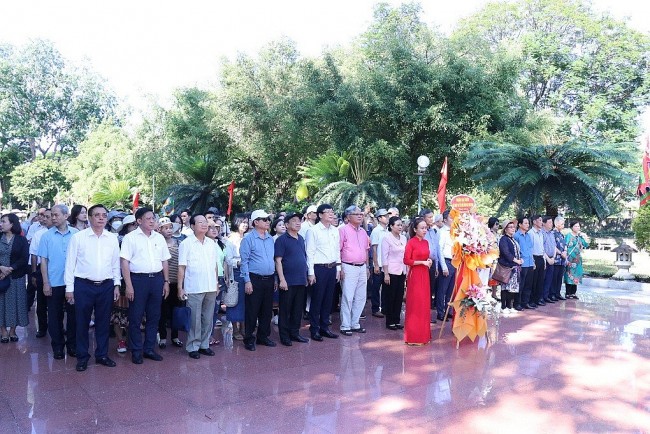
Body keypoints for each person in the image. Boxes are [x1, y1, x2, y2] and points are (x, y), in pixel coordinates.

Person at [64, 204, 121, 372]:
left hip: (106, 285)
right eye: (97, 215)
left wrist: (117, 284)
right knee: (81, 322)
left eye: (104, 215)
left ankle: (102, 354)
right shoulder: (78, 238)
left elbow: (115, 263)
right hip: (83, 285)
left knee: (103, 322)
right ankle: (82, 357)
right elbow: (70, 264)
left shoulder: (112, 238)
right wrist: (69, 288)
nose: (101, 218)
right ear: (89, 218)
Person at [120, 208, 170, 364]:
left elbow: (164, 261)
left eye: (153, 218)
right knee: (135, 316)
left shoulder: (159, 238)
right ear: (139, 221)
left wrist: (166, 281)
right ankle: (136, 350)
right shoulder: (130, 238)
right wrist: (128, 285)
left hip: (156, 280)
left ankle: (149, 348)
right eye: (148, 218)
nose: (152, 220)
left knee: (154, 316)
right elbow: (124, 262)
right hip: (138, 280)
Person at [39, 205, 78, 358]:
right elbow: (43, 261)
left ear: (66, 215)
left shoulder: (76, 234)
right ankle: (58, 347)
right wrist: (46, 283)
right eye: (52, 215)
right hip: (54, 282)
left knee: (74, 315)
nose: (53, 218)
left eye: (56, 215)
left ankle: (72, 345)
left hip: (73, 283)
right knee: (55, 317)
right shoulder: (46, 236)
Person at [178, 214, 219, 359]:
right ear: (193, 226)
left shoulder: (211, 244)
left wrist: (216, 284)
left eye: (205, 222)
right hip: (194, 287)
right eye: (200, 222)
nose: (204, 225)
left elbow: (214, 266)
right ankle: (192, 346)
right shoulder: (186, 244)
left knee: (208, 318)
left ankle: (204, 344)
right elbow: (182, 267)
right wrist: (180, 288)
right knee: (195, 319)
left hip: (210, 286)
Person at [239, 209, 276, 351]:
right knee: (252, 310)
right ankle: (248, 338)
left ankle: (263, 336)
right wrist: (247, 281)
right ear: (256, 222)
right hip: (254, 278)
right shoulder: (248, 239)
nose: (268, 222)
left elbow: (272, 259)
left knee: (267, 310)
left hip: (269, 278)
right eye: (264, 219)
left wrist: (276, 279)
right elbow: (244, 261)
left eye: (268, 219)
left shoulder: (270, 238)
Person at [305, 203, 341, 342]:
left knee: (329, 299)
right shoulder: (313, 231)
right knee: (317, 299)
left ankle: (325, 327)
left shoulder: (335, 230)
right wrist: (311, 272)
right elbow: (310, 252)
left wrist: (338, 268)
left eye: (333, 211)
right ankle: (314, 329)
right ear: (320, 215)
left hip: (332, 268)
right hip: (319, 268)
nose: (331, 214)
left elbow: (337, 250)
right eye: (328, 212)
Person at [274, 212, 309, 346]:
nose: (298, 222)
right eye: (294, 221)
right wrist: (282, 279)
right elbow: (278, 261)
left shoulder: (300, 238)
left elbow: (303, 258)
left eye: (299, 220)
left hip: (300, 279)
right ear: (287, 225)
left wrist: (305, 276)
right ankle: (284, 336)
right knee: (285, 309)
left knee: (297, 309)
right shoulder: (281, 240)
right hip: (288, 281)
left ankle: (295, 333)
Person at [338, 205, 370, 336]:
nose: (360, 216)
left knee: (361, 297)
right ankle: (345, 325)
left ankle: (355, 323)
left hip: (362, 267)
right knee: (347, 297)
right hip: (348, 266)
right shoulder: (342, 230)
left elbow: (366, 250)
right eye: (356, 214)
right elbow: (338, 250)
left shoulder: (363, 232)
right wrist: (339, 268)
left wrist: (367, 267)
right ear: (348, 217)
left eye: (361, 214)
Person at [0, 213, 30, 343]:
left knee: (16, 304)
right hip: (0, 276)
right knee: (1, 304)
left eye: (3, 222)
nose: (1, 224)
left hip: (16, 277)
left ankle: (12, 330)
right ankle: (3, 331)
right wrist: (1, 267)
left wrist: (10, 269)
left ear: (12, 224)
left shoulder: (21, 239)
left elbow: (24, 258)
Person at [403, 218, 432, 345]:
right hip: (415, 275)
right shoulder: (411, 242)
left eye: (426, 228)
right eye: (422, 228)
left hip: (425, 274)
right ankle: (413, 337)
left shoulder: (426, 242)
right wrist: (422, 262)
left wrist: (428, 261)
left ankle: (424, 335)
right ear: (415, 229)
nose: (424, 230)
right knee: (415, 304)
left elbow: (426, 256)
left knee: (424, 304)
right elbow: (406, 260)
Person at [157, 217, 183, 349]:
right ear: (159, 230)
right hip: (162, 282)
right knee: (162, 311)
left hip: (176, 282)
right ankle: (162, 337)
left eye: (170, 227)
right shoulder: (157, 243)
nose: (169, 230)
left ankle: (175, 336)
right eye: (165, 228)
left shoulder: (179, 243)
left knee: (176, 311)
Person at [29, 208, 53, 337]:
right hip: (40, 269)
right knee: (41, 301)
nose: (46, 219)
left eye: (48, 216)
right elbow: (33, 255)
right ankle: (42, 328)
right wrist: (34, 274)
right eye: (45, 216)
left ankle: (58, 327)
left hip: (57, 270)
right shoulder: (39, 234)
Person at [381, 216, 407, 330]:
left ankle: (397, 320)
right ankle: (390, 321)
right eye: (398, 225)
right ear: (391, 226)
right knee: (390, 297)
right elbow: (384, 257)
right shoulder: (387, 238)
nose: (400, 227)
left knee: (399, 296)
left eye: (401, 225)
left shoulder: (403, 238)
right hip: (391, 271)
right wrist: (386, 274)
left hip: (402, 271)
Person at [225, 215, 248, 340]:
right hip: (236, 272)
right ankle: (235, 329)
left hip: (248, 271)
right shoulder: (231, 240)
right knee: (235, 301)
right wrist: (241, 262)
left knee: (246, 301)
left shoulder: (248, 237)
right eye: (242, 222)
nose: (244, 224)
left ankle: (244, 327)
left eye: (246, 222)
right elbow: (229, 259)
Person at [498, 220, 523, 313]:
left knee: (512, 288)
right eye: (510, 227)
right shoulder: (503, 239)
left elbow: (517, 251)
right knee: (505, 287)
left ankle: (509, 306)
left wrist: (520, 259)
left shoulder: (513, 239)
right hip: (507, 267)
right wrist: (516, 260)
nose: (513, 229)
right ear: (505, 229)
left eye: (514, 227)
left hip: (514, 266)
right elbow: (506, 253)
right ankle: (503, 307)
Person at [421, 209, 442, 318]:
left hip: (432, 263)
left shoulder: (434, 231)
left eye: (432, 217)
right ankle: (422, 314)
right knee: (423, 290)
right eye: (429, 217)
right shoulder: (421, 232)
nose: (431, 219)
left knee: (430, 290)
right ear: (423, 218)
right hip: (423, 263)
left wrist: (437, 265)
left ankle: (427, 314)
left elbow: (436, 249)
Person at [435, 210, 456, 322]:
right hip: (446, 261)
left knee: (451, 290)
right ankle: (440, 312)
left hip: (455, 262)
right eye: (451, 217)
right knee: (442, 289)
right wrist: (443, 266)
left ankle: (448, 310)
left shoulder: (455, 231)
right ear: (445, 220)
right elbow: (440, 250)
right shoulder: (442, 232)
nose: (453, 219)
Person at [369, 208, 390, 318]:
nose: (387, 218)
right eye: (385, 216)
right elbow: (374, 249)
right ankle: (375, 308)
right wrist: (376, 264)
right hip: (379, 264)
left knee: (386, 288)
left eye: (387, 216)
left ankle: (385, 307)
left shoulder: (387, 231)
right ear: (379, 218)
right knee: (376, 288)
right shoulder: (376, 231)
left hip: (386, 265)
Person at [564, 221, 589, 299]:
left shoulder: (579, 237)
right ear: (572, 227)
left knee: (576, 275)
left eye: (578, 226)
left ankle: (573, 293)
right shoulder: (568, 236)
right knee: (569, 275)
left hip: (577, 259)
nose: (577, 228)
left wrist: (583, 237)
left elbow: (586, 244)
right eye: (575, 226)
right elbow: (565, 246)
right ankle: (568, 293)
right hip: (570, 258)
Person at [514, 216, 534, 310]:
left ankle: (525, 302)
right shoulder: (516, 236)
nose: (527, 225)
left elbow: (530, 249)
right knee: (520, 284)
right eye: (525, 223)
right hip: (522, 263)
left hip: (530, 262)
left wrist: (533, 262)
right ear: (520, 224)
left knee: (528, 284)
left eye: (528, 223)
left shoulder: (528, 235)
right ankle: (517, 303)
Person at [529, 215, 546, 306]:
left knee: (540, 280)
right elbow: (530, 248)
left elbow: (542, 247)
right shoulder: (531, 233)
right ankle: (531, 300)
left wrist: (544, 259)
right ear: (534, 222)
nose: (541, 222)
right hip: (534, 258)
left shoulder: (540, 233)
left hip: (541, 258)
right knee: (533, 281)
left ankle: (538, 299)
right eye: (540, 220)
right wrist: (532, 261)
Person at [541, 216, 558, 305]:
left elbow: (554, 246)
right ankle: (541, 297)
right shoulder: (541, 233)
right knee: (542, 279)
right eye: (550, 222)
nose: (552, 224)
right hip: (544, 259)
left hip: (552, 258)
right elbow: (542, 248)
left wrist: (553, 258)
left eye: (552, 222)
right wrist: (547, 258)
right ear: (544, 223)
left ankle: (546, 296)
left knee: (549, 279)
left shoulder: (551, 233)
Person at [552, 217, 568, 301]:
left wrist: (565, 251)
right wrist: (561, 253)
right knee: (554, 278)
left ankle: (558, 293)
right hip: (556, 259)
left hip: (562, 260)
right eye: (562, 224)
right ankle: (552, 294)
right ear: (556, 224)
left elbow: (565, 245)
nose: (563, 225)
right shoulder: (553, 233)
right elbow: (553, 246)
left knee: (559, 278)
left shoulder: (561, 234)